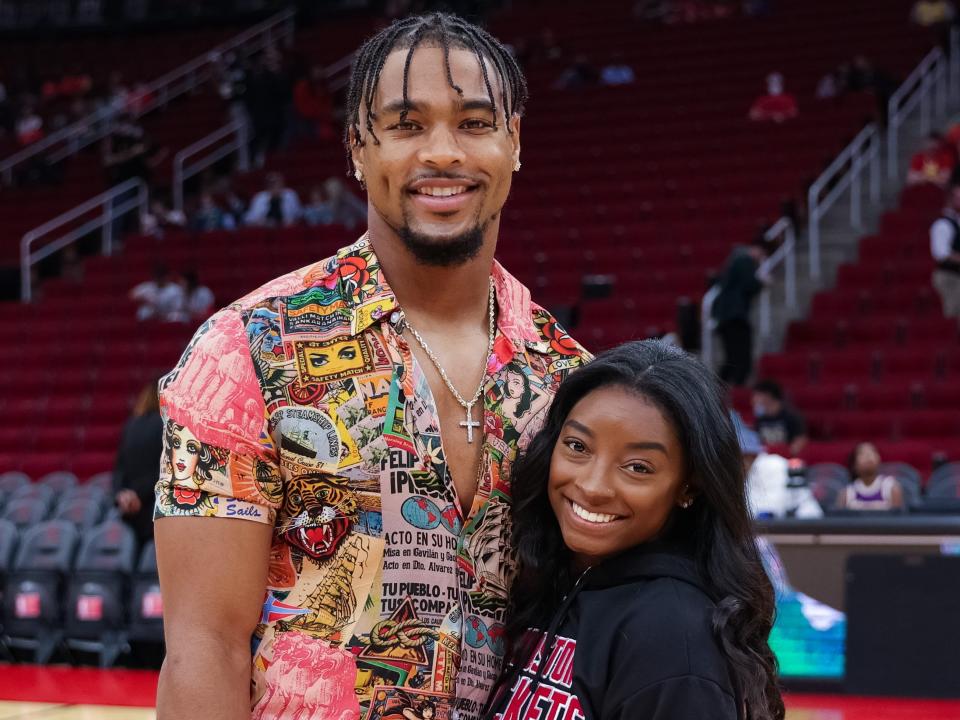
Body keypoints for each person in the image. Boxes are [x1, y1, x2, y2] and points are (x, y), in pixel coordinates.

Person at [154, 13, 591, 720]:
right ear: (359, 148)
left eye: (476, 123)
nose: (443, 152)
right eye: (407, 124)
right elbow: (206, 647)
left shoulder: (571, 381)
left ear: (514, 142)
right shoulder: (249, 352)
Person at [485, 341, 784, 720]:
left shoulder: (674, 637)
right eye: (577, 446)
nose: (592, 486)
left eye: (638, 467)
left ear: (688, 486)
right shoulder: (552, 581)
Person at [732, 411, 822, 519]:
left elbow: (770, 512)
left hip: (807, 526)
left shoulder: (772, 465)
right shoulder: (743, 473)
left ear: (749, 454)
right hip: (778, 528)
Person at [711, 239, 770, 386]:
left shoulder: (734, 262)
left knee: (731, 358)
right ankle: (735, 389)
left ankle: (716, 389)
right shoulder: (744, 261)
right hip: (734, 316)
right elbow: (750, 284)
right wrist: (762, 282)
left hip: (726, 317)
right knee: (741, 357)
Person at [113, 382, 164, 545]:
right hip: (154, 504)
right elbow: (165, 469)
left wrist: (123, 494)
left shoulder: (131, 424)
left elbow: (119, 469)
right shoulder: (166, 425)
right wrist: (140, 494)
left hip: (130, 507)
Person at [835, 442, 905, 511]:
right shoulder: (846, 493)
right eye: (862, 453)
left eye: (872, 452)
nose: (868, 456)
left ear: (879, 459)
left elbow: (898, 520)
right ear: (854, 464)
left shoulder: (891, 488)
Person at [751, 380, 808, 456]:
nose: (753, 399)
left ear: (768, 396)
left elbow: (800, 440)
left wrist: (788, 454)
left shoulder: (791, 416)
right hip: (766, 458)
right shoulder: (760, 418)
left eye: (757, 395)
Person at [930, 182, 960, 320]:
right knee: (954, 313)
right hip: (949, 276)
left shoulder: (957, 221)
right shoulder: (942, 224)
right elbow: (941, 254)